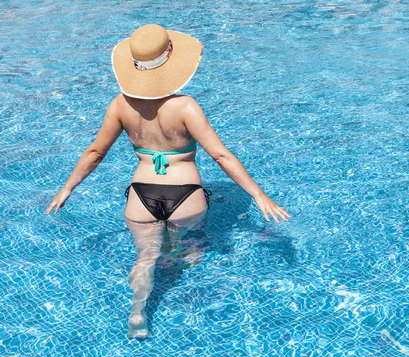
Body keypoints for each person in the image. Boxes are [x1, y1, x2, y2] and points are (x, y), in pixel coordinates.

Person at [44, 24, 290, 339]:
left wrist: (67, 187)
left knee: (145, 255)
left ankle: (137, 312)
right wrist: (258, 195)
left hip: (142, 196)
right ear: (171, 61)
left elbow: (94, 153)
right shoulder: (185, 106)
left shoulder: (120, 105)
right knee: (186, 247)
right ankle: (179, 266)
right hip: (186, 196)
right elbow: (221, 156)